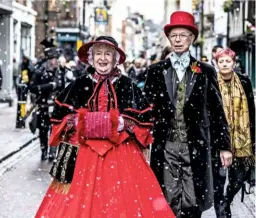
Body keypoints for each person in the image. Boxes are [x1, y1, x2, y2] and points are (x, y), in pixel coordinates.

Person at [35, 36, 175, 218]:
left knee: (122, 202)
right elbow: (59, 117)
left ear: (115, 59)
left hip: (121, 154)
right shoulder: (78, 84)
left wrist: (123, 122)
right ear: (91, 58)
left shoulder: (128, 85)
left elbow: (145, 119)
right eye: (98, 53)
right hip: (81, 154)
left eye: (107, 54)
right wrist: (77, 121)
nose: (103, 58)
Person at [144, 11, 232, 218]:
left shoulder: (206, 70)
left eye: (183, 35)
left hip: (196, 143)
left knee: (193, 200)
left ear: (191, 38)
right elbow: (146, 110)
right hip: (166, 144)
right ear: (169, 38)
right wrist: (141, 142)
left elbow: (217, 111)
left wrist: (224, 147)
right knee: (168, 197)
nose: (177, 39)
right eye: (174, 35)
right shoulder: (156, 70)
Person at [213, 48, 255, 218]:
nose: (224, 64)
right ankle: (222, 211)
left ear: (234, 63)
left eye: (227, 61)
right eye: (221, 61)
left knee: (238, 179)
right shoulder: (212, 81)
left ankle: (226, 199)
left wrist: (253, 136)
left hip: (241, 137)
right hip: (219, 138)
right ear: (217, 63)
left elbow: (251, 110)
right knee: (218, 179)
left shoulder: (243, 81)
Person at [29, 46, 62, 161]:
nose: (57, 61)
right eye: (54, 59)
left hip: (56, 108)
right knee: (43, 131)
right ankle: (44, 151)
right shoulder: (39, 72)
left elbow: (64, 90)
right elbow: (32, 88)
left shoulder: (60, 72)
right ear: (49, 60)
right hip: (43, 107)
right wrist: (49, 86)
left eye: (57, 58)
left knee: (55, 131)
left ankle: (52, 154)